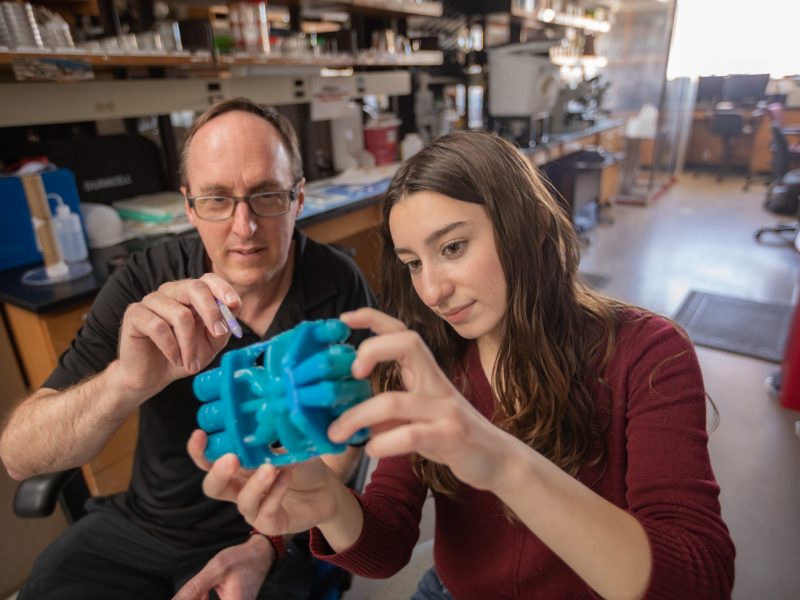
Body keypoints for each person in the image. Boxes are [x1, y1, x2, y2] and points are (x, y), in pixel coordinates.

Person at [191, 131, 736, 600]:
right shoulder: (432, 363)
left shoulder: (648, 353)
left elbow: (697, 581)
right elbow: (387, 548)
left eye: (452, 247)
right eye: (412, 264)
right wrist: (328, 502)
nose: (431, 290)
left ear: (526, 226)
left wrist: (497, 459)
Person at [0, 97, 376, 599]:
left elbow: (346, 441)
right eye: (218, 199)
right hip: (144, 526)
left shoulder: (335, 283)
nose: (244, 228)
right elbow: (19, 457)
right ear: (189, 206)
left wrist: (267, 543)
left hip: (270, 526)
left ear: (299, 198)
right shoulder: (145, 283)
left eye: (267, 195)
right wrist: (124, 383)